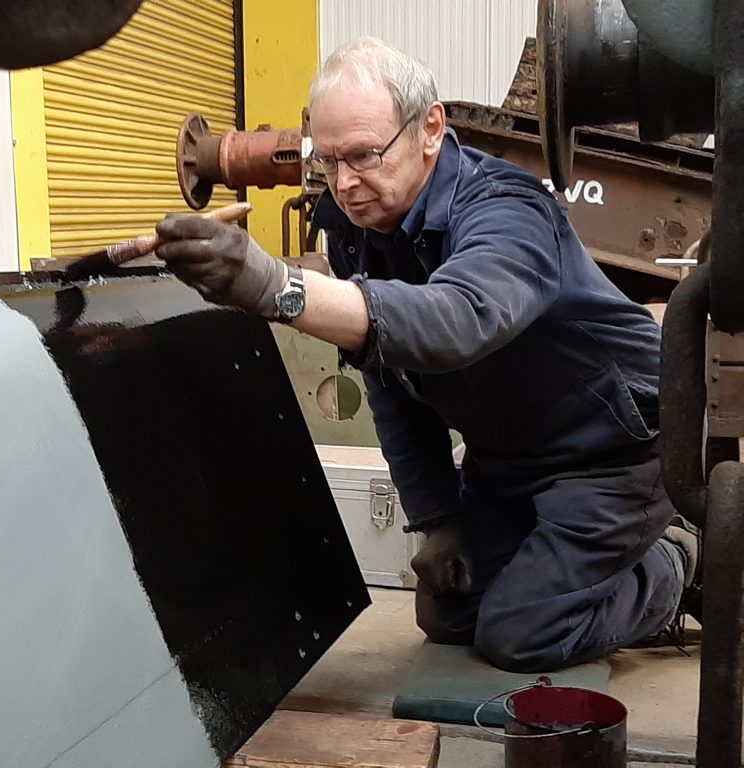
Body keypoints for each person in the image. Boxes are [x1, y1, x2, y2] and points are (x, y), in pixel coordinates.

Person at [154, 37, 700, 673]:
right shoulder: (354, 230)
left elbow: (460, 319)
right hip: (512, 458)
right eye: (329, 162)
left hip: (619, 452)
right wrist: (437, 518)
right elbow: (390, 385)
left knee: (521, 635)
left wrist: (281, 289)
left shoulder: (508, 210)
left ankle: (677, 561)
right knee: (449, 616)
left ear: (430, 129)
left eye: (363, 155)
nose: (347, 183)